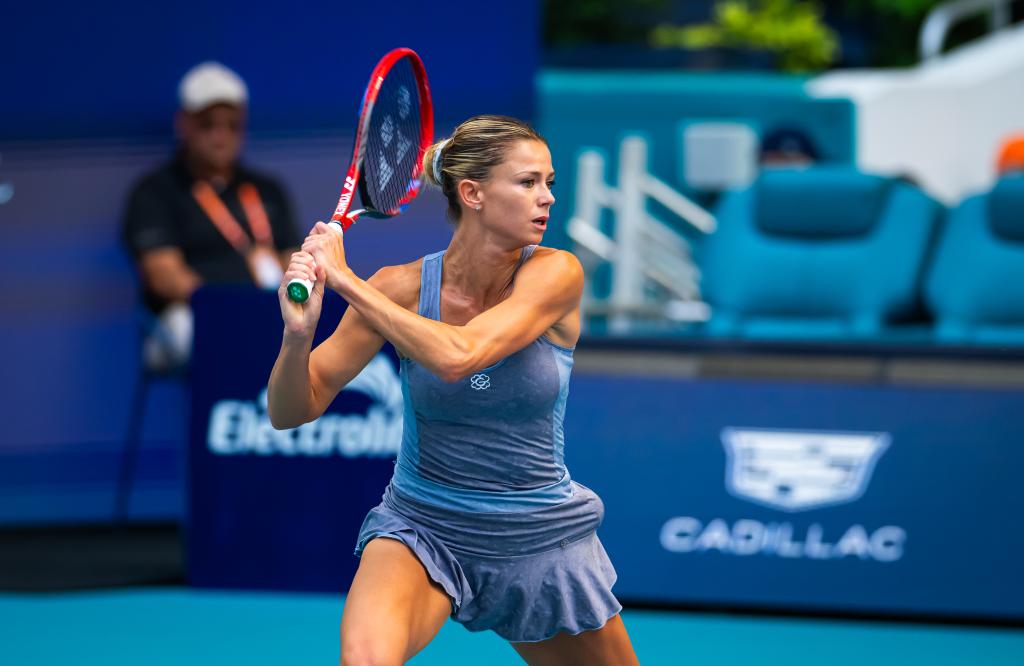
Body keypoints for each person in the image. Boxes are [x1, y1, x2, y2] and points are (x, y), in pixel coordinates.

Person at [267, 115, 639, 665]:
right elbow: (291, 409)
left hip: (536, 533)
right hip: (423, 524)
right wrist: (297, 338)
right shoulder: (399, 287)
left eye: (549, 183)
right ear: (473, 193)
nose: (548, 199)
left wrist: (345, 282)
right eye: (529, 182)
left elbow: (458, 356)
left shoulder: (557, 274)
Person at [122, 61, 300, 370]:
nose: (220, 136)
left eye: (232, 125)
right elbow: (164, 276)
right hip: (195, 313)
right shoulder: (156, 191)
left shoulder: (268, 188)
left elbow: (293, 260)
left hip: (270, 309)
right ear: (183, 125)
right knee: (194, 333)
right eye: (208, 125)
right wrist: (234, 310)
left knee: (316, 329)